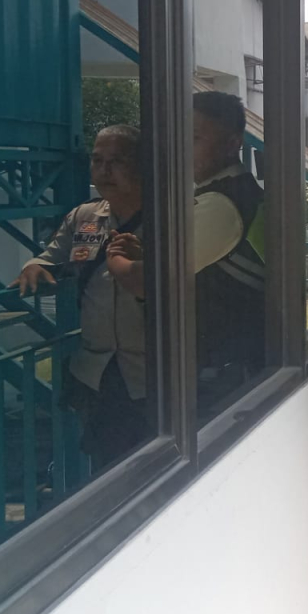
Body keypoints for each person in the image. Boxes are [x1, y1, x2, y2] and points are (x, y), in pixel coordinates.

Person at [107, 91, 265, 414]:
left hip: (219, 376)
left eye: (194, 139)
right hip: (235, 365)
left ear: (232, 143)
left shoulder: (221, 205)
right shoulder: (242, 193)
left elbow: (148, 282)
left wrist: (117, 260)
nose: (183, 150)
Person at [13, 125, 149, 469]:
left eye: (117, 161)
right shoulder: (85, 217)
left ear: (142, 164)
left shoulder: (172, 216)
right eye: (97, 161)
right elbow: (52, 255)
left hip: (155, 372)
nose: (104, 171)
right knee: (107, 466)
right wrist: (34, 266)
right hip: (97, 373)